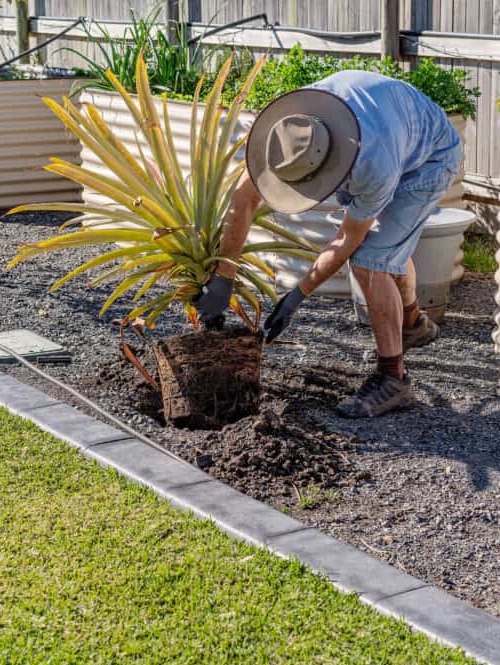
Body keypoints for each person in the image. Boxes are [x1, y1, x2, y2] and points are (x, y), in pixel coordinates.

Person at [195, 70, 463, 418]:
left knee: (371, 260)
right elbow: (243, 200)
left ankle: (393, 378)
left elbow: (349, 240)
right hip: (393, 126)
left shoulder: (373, 165)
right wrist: (223, 279)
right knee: (389, 250)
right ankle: (412, 325)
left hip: (429, 158)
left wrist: (296, 297)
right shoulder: (286, 134)